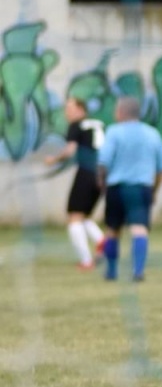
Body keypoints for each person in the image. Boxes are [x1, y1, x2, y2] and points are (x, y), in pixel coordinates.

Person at [97, 97, 162, 282]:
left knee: (112, 229)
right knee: (139, 229)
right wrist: (154, 190)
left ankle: (111, 271)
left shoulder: (113, 132)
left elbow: (103, 163)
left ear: (121, 112)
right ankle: (138, 271)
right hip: (141, 188)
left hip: (117, 187)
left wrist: (102, 186)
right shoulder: (152, 133)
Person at [44, 96, 106, 269]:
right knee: (83, 215)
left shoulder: (76, 125)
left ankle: (86, 261)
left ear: (81, 109)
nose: (67, 113)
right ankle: (103, 243)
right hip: (103, 174)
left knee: (74, 216)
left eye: (70, 108)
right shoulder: (99, 123)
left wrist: (53, 159)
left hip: (86, 172)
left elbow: (70, 151)